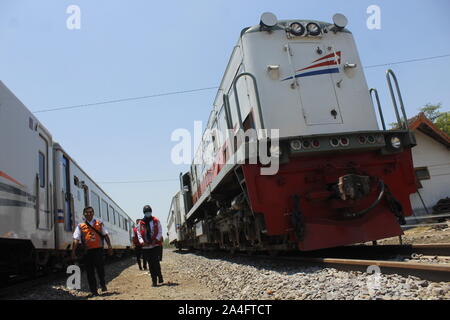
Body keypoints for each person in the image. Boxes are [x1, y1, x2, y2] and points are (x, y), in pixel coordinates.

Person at [71, 206, 113, 297]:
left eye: (90, 212)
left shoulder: (99, 224)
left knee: (100, 270)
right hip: (87, 252)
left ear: (93, 213)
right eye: (86, 212)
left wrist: (109, 246)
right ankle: (94, 291)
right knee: (90, 272)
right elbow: (76, 239)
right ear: (84, 214)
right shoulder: (80, 226)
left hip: (98, 251)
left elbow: (105, 235)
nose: (89, 214)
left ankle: (102, 283)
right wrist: (73, 251)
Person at [137, 205, 164, 287]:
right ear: (144, 213)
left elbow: (160, 231)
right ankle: (154, 280)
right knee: (150, 264)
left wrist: (155, 239)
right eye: (146, 212)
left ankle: (159, 276)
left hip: (155, 245)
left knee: (156, 262)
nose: (148, 213)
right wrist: (142, 242)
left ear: (151, 212)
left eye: (149, 212)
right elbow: (139, 234)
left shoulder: (156, 221)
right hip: (146, 247)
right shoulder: (141, 223)